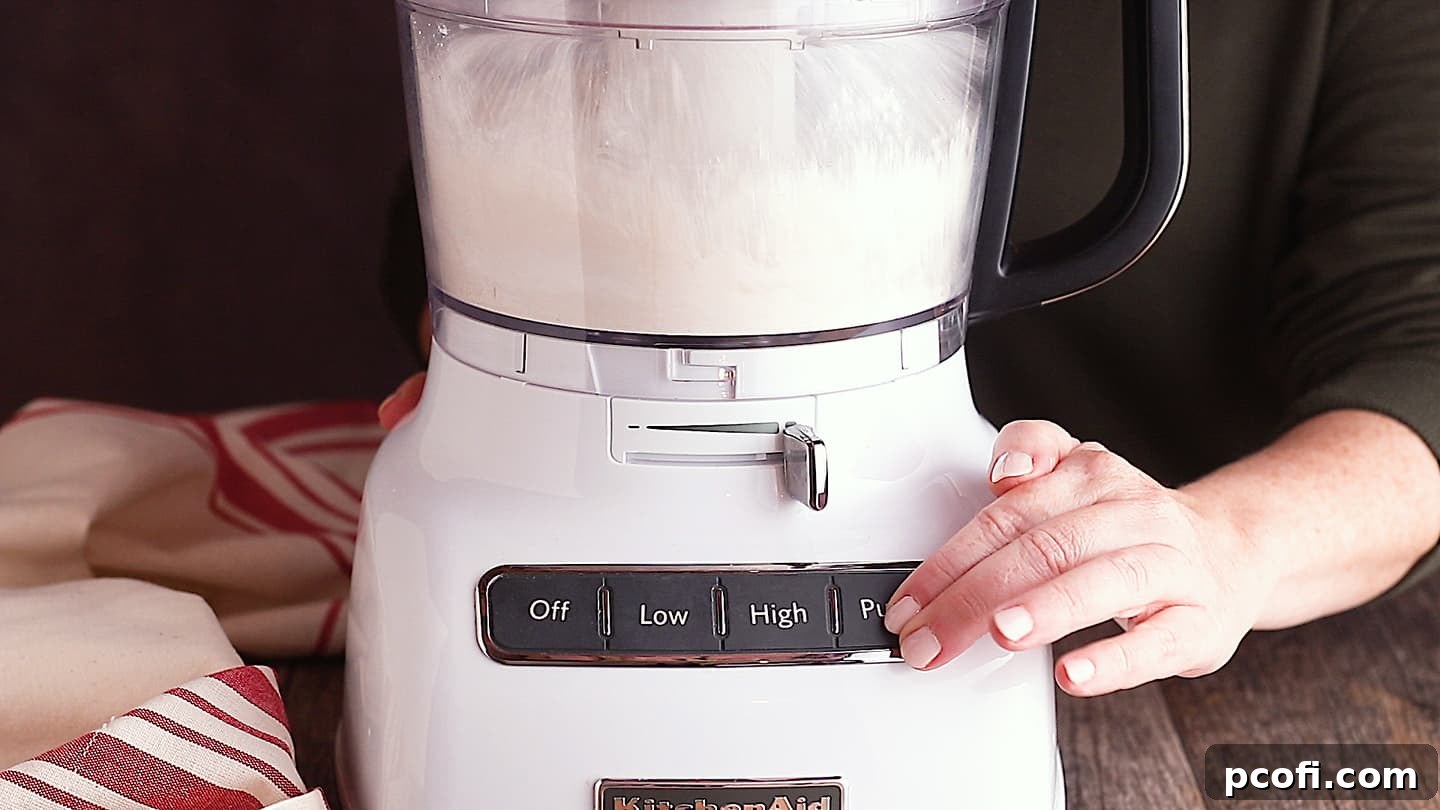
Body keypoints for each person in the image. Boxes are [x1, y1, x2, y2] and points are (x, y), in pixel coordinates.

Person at [376, 1, 1440, 697]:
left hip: (1163, 641)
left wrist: (1225, 541)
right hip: (564, 498)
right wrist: (512, 387)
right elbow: (438, 222)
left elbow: (1417, 353)